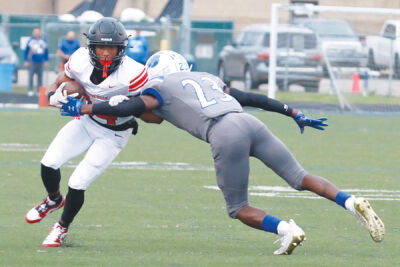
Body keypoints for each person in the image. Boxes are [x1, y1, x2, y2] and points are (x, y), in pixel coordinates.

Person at [61, 50, 385, 254]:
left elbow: (135, 106)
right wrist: (293, 112)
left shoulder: (158, 87)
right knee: (299, 177)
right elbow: (251, 97)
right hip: (249, 122)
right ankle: (350, 201)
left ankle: (287, 230)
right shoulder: (206, 76)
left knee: (238, 208)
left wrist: (87, 107)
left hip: (223, 132)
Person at [24, 17, 149, 247]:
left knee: (78, 182)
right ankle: (53, 199)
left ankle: (61, 227)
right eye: (100, 47)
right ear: (91, 47)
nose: (105, 54)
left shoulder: (134, 73)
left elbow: (150, 110)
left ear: (121, 49)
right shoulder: (80, 58)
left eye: (111, 48)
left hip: (114, 132)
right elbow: (65, 79)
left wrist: (127, 104)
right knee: (48, 162)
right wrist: (55, 93)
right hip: (87, 122)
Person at [24, 28, 49, 96]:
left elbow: (46, 51)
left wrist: (46, 60)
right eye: (36, 32)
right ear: (33, 33)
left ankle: (39, 91)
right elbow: (26, 51)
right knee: (31, 76)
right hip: (32, 62)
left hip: (40, 62)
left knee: (40, 77)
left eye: (38, 32)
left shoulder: (43, 41)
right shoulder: (30, 41)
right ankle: (30, 90)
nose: (37, 33)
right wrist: (26, 60)